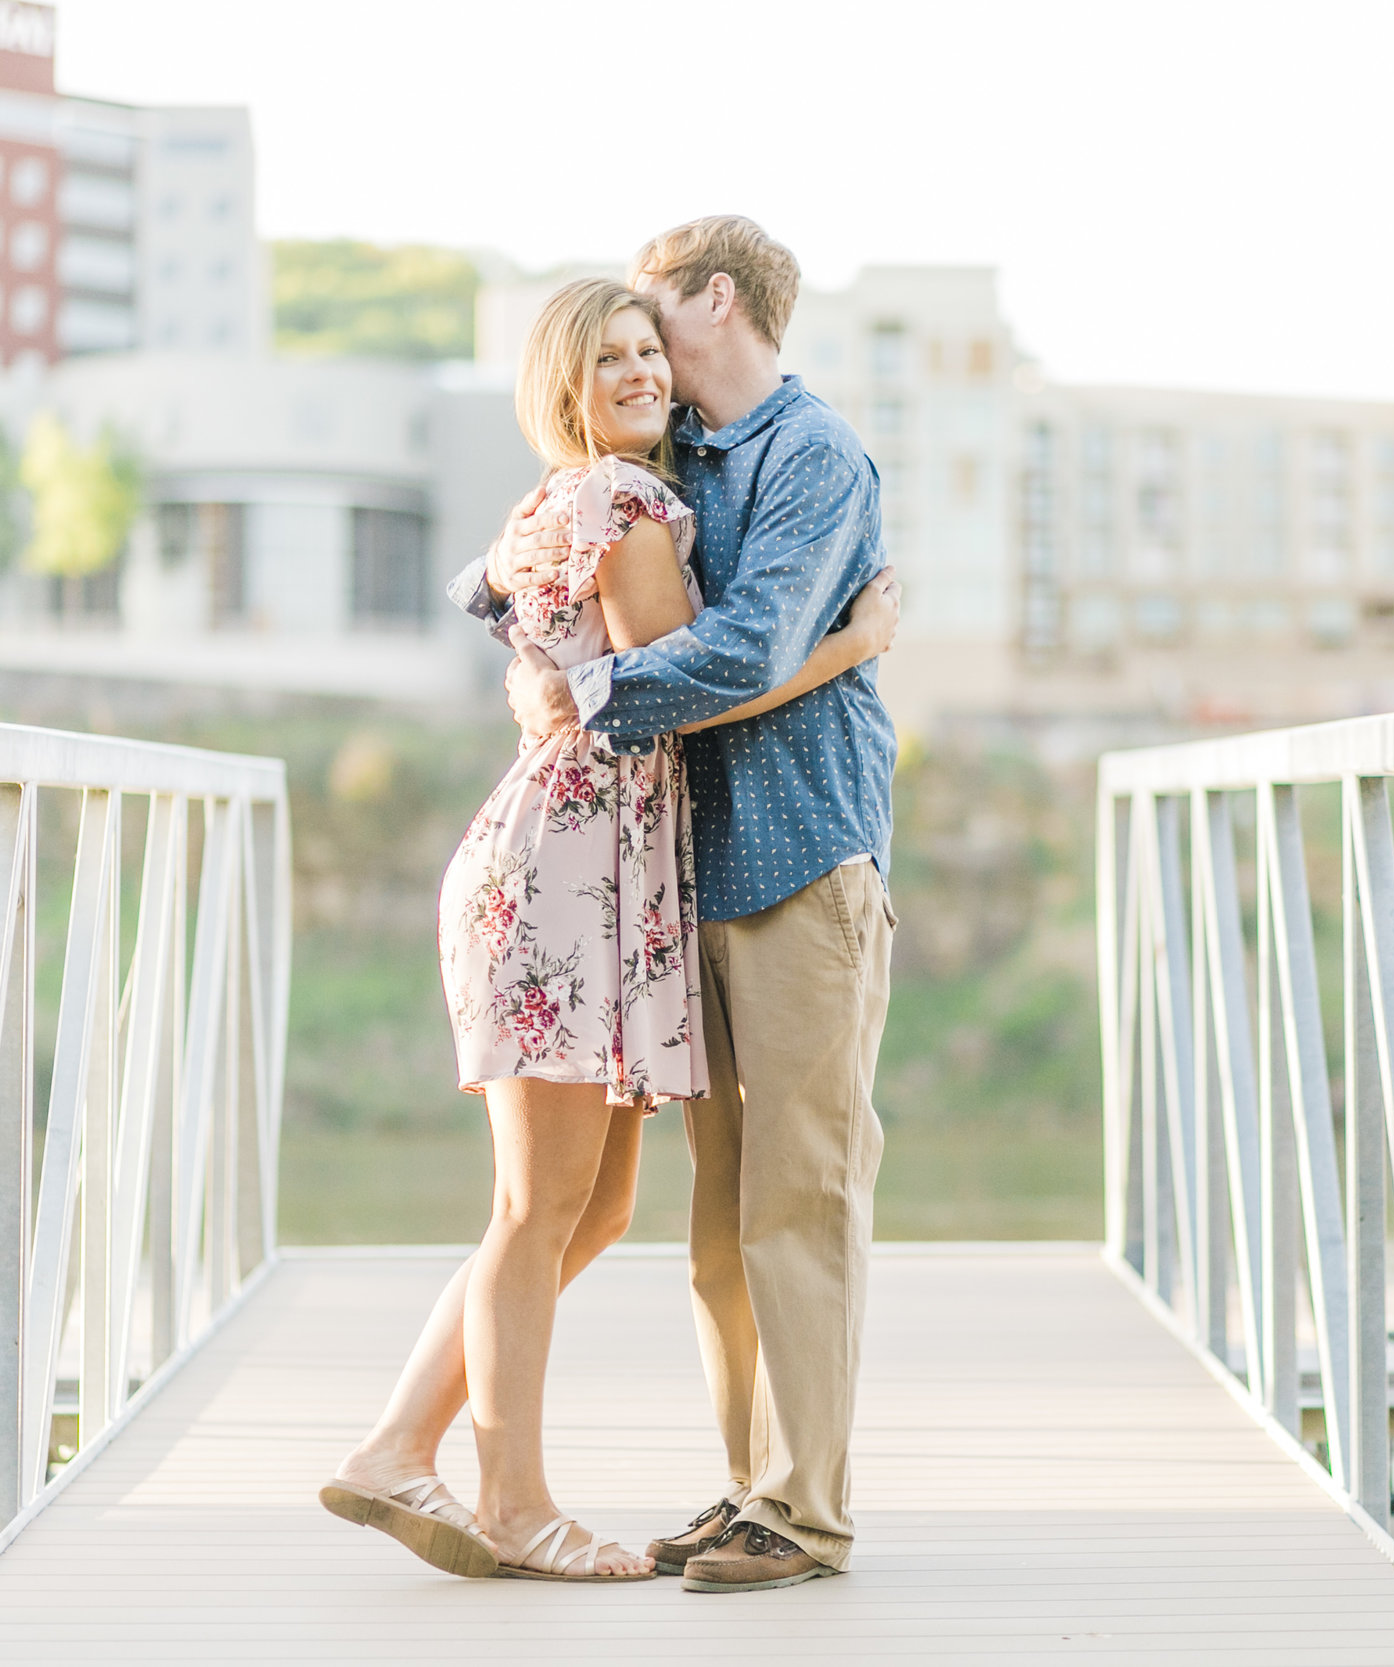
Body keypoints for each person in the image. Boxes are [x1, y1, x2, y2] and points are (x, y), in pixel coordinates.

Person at [317, 276, 897, 1583]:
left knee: (587, 1212)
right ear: (563, 385)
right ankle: (509, 1501)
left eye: (650, 349)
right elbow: (693, 682)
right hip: (570, 873)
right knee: (540, 1210)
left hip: (595, 872)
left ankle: (397, 1446)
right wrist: (850, 646)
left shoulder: (569, 494)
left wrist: (547, 672)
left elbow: (511, 613)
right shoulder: (627, 499)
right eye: (613, 357)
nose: (643, 372)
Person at [483, 217, 900, 1594]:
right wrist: (524, 651)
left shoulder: (811, 455)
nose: (646, 346)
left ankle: (808, 1510)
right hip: (689, 880)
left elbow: (739, 651)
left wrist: (578, 695)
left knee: (804, 1195)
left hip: (801, 864)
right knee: (719, 1224)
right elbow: (522, 570)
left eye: (656, 316)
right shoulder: (682, 463)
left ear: (719, 298)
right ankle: (750, 1489)